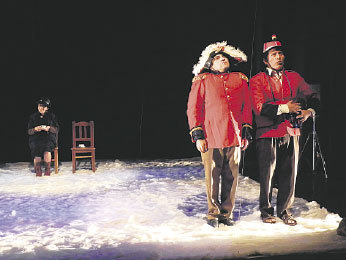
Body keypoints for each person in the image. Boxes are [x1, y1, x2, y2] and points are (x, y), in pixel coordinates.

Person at [249, 35, 320, 226]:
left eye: (280, 53)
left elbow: (313, 95)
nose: (279, 57)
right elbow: (259, 107)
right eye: (274, 54)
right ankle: (266, 211)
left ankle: (285, 211)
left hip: (291, 131)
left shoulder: (294, 77)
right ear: (266, 59)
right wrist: (286, 108)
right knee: (267, 175)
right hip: (267, 132)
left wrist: (308, 111)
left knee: (290, 173)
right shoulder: (257, 80)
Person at [187, 41, 253, 227]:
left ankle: (226, 213)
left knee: (231, 176)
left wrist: (246, 131)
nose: (222, 59)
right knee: (213, 176)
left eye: (225, 58)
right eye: (217, 58)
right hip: (211, 134)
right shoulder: (203, 80)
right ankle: (213, 213)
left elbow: (246, 106)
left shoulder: (240, 79)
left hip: (235, 134)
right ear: (210, 63)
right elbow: (194, 108)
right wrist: (198, 134)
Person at [28, 98, 59, 177]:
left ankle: (47, 169)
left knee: (47, 147)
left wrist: (49, 128)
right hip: (36, 138)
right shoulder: (33, 117)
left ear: (47, 108)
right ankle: (38, 169)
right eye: (39, 106)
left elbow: (56, 129)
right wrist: (35, 129)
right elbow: (29, 131)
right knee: (35, 146)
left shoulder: (51, 116)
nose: (40, 108)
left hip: (48, 137)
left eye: (42, 106)